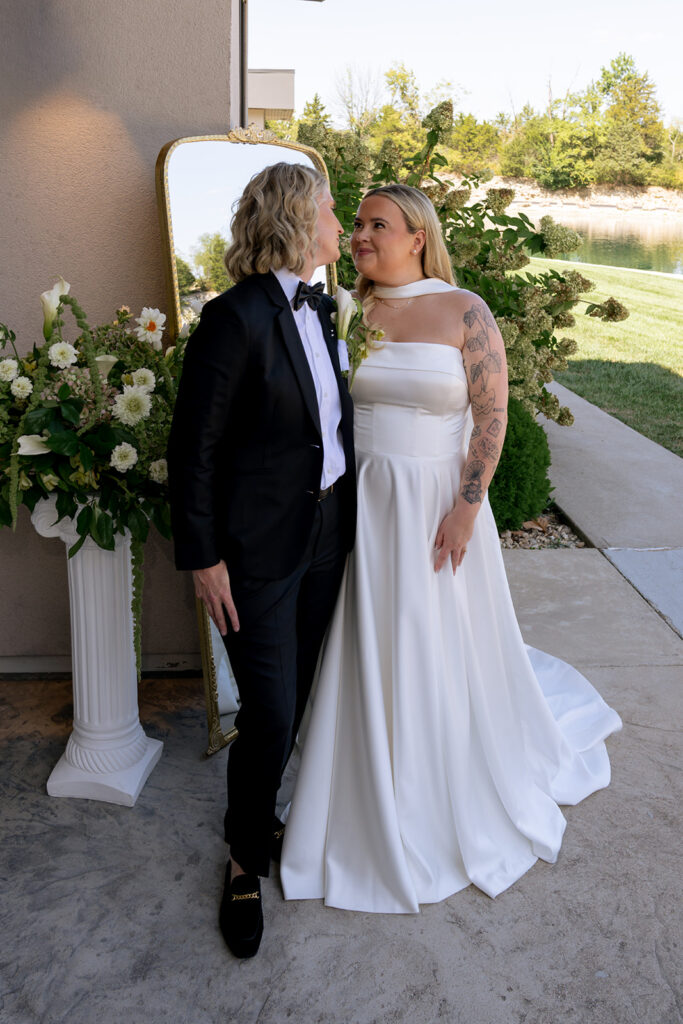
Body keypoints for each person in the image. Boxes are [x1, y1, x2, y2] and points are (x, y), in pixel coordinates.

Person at [279, 184, 622, 914]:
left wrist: (467, 508)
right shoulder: (344, 310)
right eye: (360, 223)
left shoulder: (464, 309)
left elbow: (490, 414)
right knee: (366, 636)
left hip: (437, 502)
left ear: (416, 235)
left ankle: (436, 776)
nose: (363, 236)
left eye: (379, 224)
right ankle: (362, 765)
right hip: (361, 503)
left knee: (432, 636)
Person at [167, 162, 355, 955]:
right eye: (332, 214)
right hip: (254, 553)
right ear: (296, 220)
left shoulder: (332, 309)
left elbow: (330, 430)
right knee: (271, 711)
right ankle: (244, 857)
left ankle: (276, 821)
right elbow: (192, 448)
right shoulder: (233, 319)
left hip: (327, 538)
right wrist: (202, 558)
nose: (341, 230)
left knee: (303, 695)